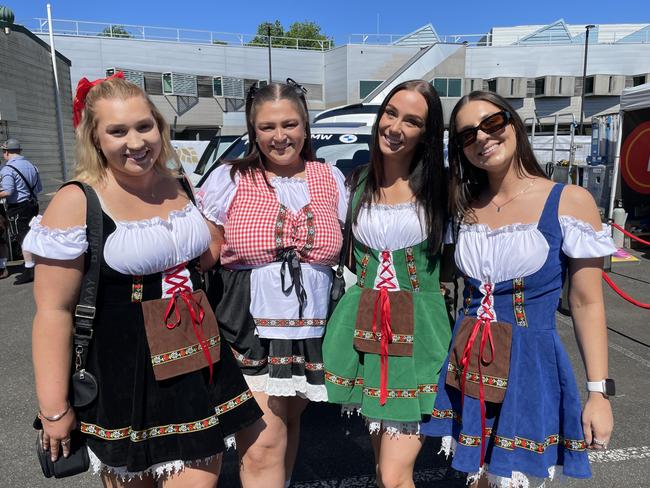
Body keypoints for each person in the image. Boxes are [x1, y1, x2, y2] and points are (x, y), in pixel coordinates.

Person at [23, 75, 261, 487]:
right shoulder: (77, 200)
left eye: (144, 126)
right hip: (122, 369)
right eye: (117, 131)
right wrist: (54, 410)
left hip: (194, 351)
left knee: (202, 477)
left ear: (159, 126)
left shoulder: (181, 185)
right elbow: (53, 313)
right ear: (96, 139)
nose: (136, 142)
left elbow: (205, 258)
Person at [420, 91, 616, 487]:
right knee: (473, 477)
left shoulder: (569, 201)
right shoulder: (463, 205)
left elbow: (586, 303)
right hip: (470, 357)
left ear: (513, 124)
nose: (482, 138)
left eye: (492, 124)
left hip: (531, 363)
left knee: (514, 479)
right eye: (467, 135)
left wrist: (599, 393)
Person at [197, 81, 347, 488]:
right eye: (267, 127)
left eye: (290, 124)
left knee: (289, 423)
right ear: (252, 130)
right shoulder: (229, 177)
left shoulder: (329, 177)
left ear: (305, 126)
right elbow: (207, 251)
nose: (279, 136)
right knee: (264, 440)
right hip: (247, 324)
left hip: (313, 324)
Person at [322, 80, 452, 488]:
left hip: (418, 337)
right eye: (391, 113)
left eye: (412, 121)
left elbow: (453, 267)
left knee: (396, 476)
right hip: (364, 334)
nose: (395, 127)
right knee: (382, 471)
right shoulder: (355, 183)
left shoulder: (443, 191)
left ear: (426, 135)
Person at [0, 138, 42, 284]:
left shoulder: (8, 169)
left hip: (18, 208)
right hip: (32, 204)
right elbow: (39, 189)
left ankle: (30, 270)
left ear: (6, 152)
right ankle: (37, 267)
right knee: (32, 235)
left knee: (23, 238)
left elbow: (8, 191)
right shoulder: (32, 166)